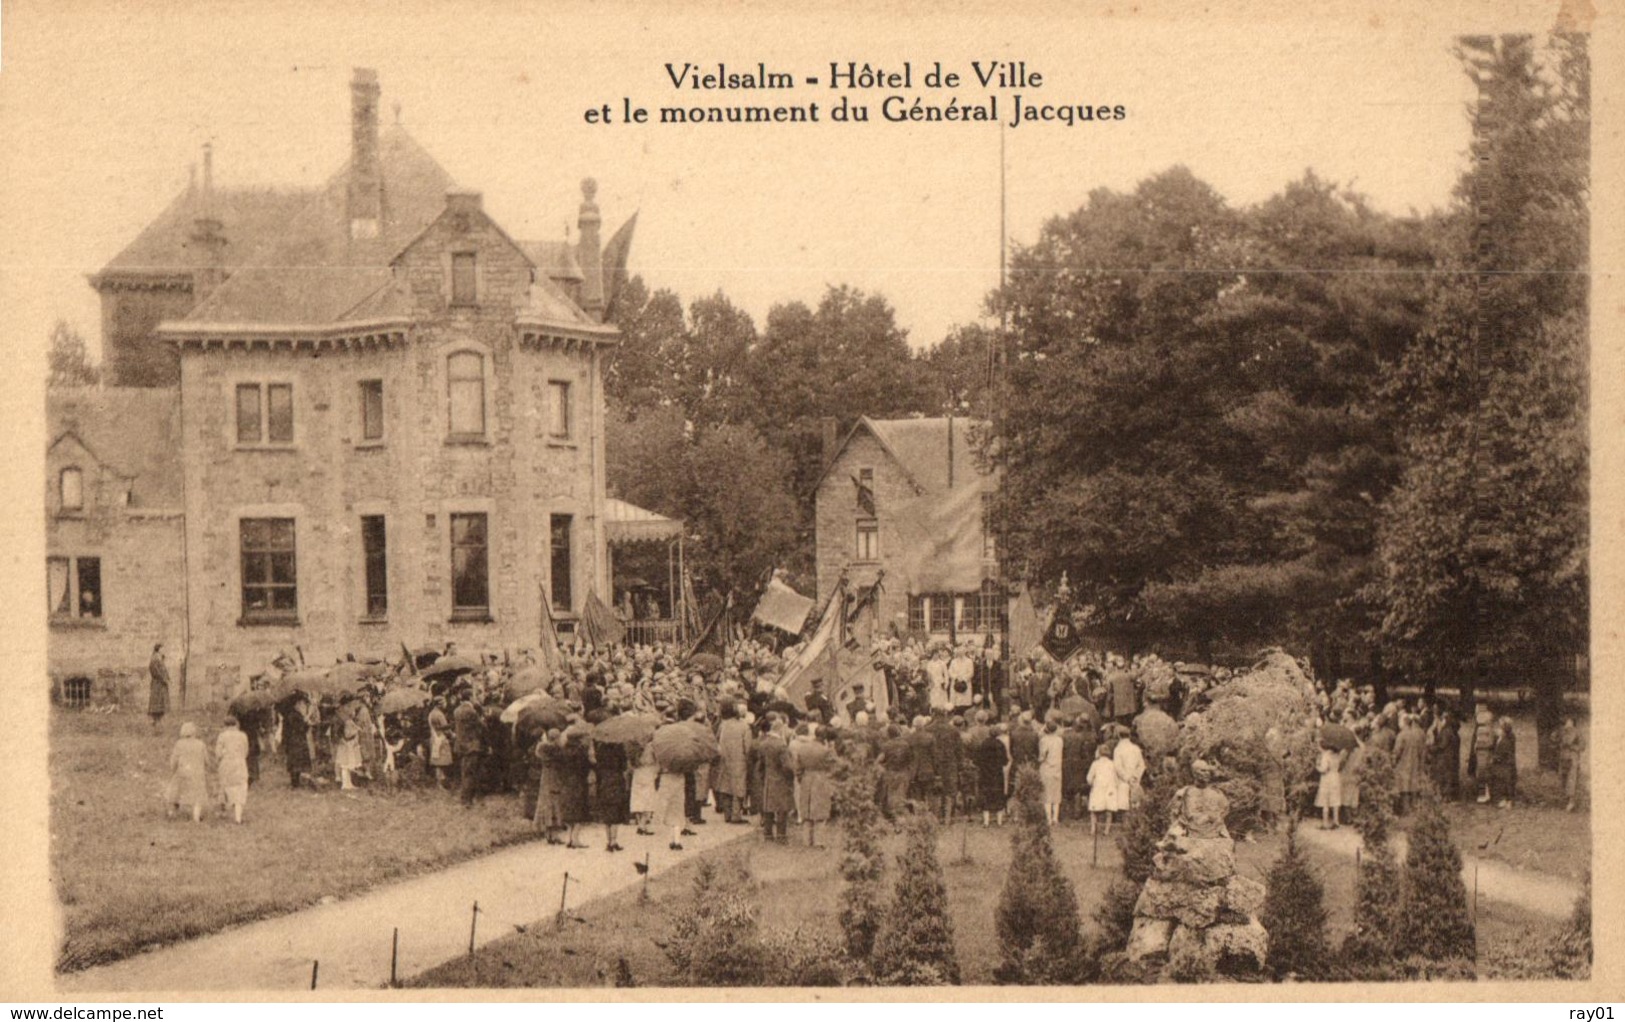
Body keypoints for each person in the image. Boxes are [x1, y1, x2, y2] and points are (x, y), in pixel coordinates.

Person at [791, 726, 836, 847]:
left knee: (806, 810)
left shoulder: (803, 748)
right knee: (820, 811)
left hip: (806, 778)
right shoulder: (825, 751)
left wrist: (801, 778)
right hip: (820, 779)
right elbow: (833, 766)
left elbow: (797, 767)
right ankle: (819, 841)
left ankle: (807, 841)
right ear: (825, 738)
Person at [757, 716, 796, 844]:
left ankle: (768, 835)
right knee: (782, 809)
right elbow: (787, 766)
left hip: (769, 778)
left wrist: (763, 777)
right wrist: (791, 775)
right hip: (781, 779)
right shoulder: (781, 746)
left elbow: (761, 764)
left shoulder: (763, 744)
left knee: (768, 808)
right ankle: (781, 836)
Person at [591, 734, 630, 852]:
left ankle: (608, 841)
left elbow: (596, 766)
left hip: (604, 781)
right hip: (616, 780)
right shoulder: (619, 748)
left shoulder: (600, 749)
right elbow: (624, 767)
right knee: (615, 811)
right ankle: (614, 841)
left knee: (607, 812)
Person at [714, 702, 751, 824]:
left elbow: (717, 739)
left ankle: (727, 814)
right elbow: (747, 746)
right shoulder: (744, 726)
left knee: (726, 786)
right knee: (738, 787)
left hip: (724, 758)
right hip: (739, 759)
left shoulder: (723, 725)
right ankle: (736, 815)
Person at [166, 722, 209, 823]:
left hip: (183, 772)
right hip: (197, 774)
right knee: (198, 796)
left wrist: (173, 769)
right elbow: (207, 760)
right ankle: (196, 817)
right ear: (194, 732)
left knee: (175, 792)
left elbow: (174, 759)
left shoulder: (179, 743)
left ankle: (171, 813)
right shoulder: (201, 744)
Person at [214, 716, 250, 824]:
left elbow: (218, 753)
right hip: (240, 764)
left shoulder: (222, 736)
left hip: (226, 764)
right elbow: (246, 751)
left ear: (225, 725)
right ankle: (238, 818)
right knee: (239, 789)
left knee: (224, 787)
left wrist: (219, 759)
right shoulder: (243, 735)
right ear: (236, 724)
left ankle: (222, 811)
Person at [452, 692, 485, 807]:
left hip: (461, 745)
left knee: (465, 771)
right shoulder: (471, 711)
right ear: (471, 697)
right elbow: (481, 725)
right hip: (471, 745)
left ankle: (467, 798)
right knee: (470, 773)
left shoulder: (456, 710)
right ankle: (467, 800)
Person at [973, 725, 1009, 827]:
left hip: (985, 774)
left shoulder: (983, 744)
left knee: (986, 796)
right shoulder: (1000, 744)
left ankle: (986, 821)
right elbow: (1005, 761)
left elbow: (977, 760)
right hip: (997, 774)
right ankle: (999, 821)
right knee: (998, 796)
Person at [1392, 712, 1427, 813]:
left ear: (1403, 722)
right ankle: (1415, 809)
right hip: (1414, 763)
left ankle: (1405, 811)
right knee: (1413, 786)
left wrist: (1393, 761)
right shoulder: (1415, 734)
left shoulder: (1401, 735)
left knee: (1404, 788)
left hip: (1403, 764)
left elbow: (1397, 751)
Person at [877, 724, 914, 820]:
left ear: (889, 734)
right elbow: (911, 759)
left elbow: (879, 760)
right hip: (903, 774)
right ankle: (904, 820)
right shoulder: (906, 744)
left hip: (891, 774)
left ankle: (894, 820)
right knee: (902, 797)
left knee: (891, 799)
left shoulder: (886, 745)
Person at [1112, 728, 1145, 821]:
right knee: (1134, 802)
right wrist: (1136, 776)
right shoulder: (1136, 748)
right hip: (1134, 778)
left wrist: (1127, 778)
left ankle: (1125, 821)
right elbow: (1141, 765)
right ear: (1129, 736)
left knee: (1123, 801)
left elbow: (1117, 767)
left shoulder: (1118, 749)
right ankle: (1134, 821)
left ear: (1118, 736)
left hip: (1123, 779)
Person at [1086, 744, 1120, 835]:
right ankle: (1106, 830)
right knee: (1109, 811)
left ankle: (1093, 829)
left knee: (1094, 810)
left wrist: (1091, 784)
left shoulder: (1095, 764)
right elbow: (1116, 778)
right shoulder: (1112, 764)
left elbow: (1089, 777)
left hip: (1098, 787)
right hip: (1110, 788)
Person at [1038, 720, 1065, 825]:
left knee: (1047, 793)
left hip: (1047, 768)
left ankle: (1048, 818)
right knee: (1056, 793)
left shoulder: (1044, 740)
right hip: (1057, 768)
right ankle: (1055, 818)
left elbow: (1042, 756)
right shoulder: (1060, 740)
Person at [1489, 717, 1517, 809]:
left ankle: (1508, 800)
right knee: (1500, 781)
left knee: (1506, 781)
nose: (1497, 729)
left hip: (1505, 764)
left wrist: (1494, 759)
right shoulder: (1500, 738)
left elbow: (1503, 754)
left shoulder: (1505, 741)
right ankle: (1503, 799)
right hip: (1501, 764)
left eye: (1499, 727)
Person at [1315, 743, 1344, 829]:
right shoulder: (1337, 755)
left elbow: (1324, 769)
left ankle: (1325, 823)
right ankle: (1336, 822)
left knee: (1325, 801)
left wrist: (1317, 766)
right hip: (1336, 777)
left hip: (1327, 779)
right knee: (1335, 800)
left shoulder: (1326, 755)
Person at [1558, 717, 1585, 812]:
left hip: (1573, 759)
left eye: (1570, 722)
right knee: (1563, 778)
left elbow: (1582, 746)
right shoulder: (1562, 732)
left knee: (1571, 780)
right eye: (1567, 722)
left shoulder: (1577, 733)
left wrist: (1572, 747)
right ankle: (1566, 800)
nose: (1568, 724)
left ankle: (1571, 801)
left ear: (1573, 723)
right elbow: (1554, 739)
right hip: (1563, 758)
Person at [427, 698, 454, 789]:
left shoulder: (431, 714)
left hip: (434, 738)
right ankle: (441, 784)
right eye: (444, 702)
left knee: (437, 761)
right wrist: (452, 734)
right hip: (441, 738)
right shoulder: (439, 714)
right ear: (440, 704)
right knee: (441, 763)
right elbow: (445, 728)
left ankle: (439, 783)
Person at [148, 643, 170, 730]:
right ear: (159, 649)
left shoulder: (160, 658)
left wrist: (167, 678)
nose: (164, 650)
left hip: (161, 684)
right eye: (162, 648)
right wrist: (163, 678)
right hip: (158, 684)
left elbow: (163, 669)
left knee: (161, 702)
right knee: (156, 702)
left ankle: (158, 720)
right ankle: (156, 720)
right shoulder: (155, 658)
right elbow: (155, 670)